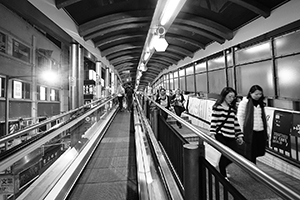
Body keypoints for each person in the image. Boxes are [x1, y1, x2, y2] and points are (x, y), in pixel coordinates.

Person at [209, 87, 244, 179]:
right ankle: (223, 175)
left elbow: (235, 123)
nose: (232, 99)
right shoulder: (218, 107)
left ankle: (222, 168)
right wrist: (212, 134)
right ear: (224, 96)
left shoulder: (232, 109)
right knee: (225, 154)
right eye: (230, 96)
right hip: (221, 134)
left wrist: (239, 135)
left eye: (233, 97)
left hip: (231, 135)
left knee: (234, 154)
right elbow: (214, 121)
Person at [237, 85, 268, 164]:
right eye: (256, 94)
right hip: (250, 132)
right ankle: (253, 169)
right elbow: (240, 117)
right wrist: (241, 131)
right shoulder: (245, 103)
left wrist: (267, 130)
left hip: (260, 130)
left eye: (260, 94)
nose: (258, 96)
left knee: (258, 151)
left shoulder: (261, 103)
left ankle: (253, 167)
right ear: (250, 93)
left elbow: (263, 117)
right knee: (251, 152)